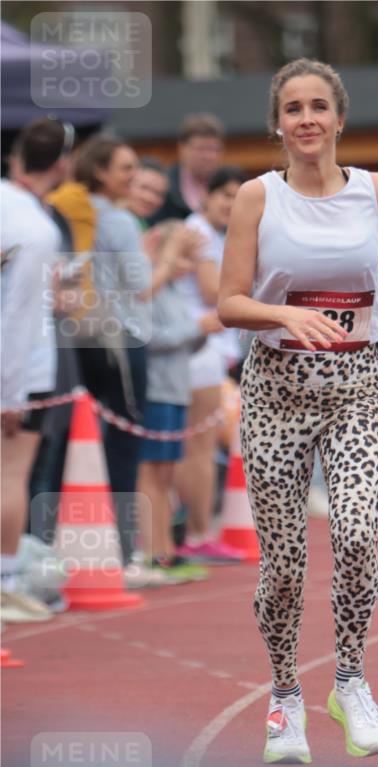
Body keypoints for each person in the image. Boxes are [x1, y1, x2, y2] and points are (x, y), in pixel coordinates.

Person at [219, 58, 378, 764]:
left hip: (356, 385)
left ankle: (350, 681)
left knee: (354, 534)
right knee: (284, 563)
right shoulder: (256, 197)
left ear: (340, 118)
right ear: (277, 124)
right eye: (293, 108)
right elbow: (229, 302)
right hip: (275, 388)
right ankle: (285, 695)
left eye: (319, 106)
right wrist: (282, 313)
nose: (307, 119)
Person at [71, 136, 156, 588]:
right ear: (100, 171)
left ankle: (75, 545)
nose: (133, 176)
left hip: (80, 336)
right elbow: (142, 286)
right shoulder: (119, 220)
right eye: (125, 168)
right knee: (123, 444)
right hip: (121, 337)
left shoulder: (74, 213)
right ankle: (121, 551)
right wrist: (168, 256)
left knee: (78, 444)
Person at [1, 117, 72, 623]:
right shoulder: (34, 225)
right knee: (11, 474)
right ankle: (6, 583)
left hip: (19, 363)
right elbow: (18, 314)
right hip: (20, 369)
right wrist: (10, 393)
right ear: (62, 164)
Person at [136, 221, 223, 583]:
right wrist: (197, 328)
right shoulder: (151, 289)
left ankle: (165, 550)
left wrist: (203, 331)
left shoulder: (171, 291)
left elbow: (184, 340)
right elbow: (150, 338)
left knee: (166, 474)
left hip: (175, 389)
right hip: (156, 390)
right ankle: (151, 552)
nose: (189, 266)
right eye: (183, 257)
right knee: (151, 473)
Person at [173, 166, 248, 564]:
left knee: (199, 446)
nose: (232, 205)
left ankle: (194, 532)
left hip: (205, 348)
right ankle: (197, 535)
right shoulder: (199, 231)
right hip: (198, 347)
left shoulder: (213, 233)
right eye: (226, 196)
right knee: (198, 447)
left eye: (238, 198)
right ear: (208, 196)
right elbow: (210, 291)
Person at [148, 114, 224, 225]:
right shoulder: (164, 186)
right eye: (201, 149)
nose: (207, 156)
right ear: (182, 148)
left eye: (213, 149)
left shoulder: (228, 187)